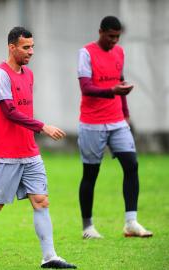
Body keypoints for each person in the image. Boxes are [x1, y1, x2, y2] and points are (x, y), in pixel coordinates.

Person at [0, 27, 76, 269]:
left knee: (41, 201)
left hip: (30, 152)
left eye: (32, 47)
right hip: (5, 154)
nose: (31, 52)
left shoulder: (29, 74)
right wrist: (42, 126)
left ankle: (49, 256)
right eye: (26, 47)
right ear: (12, 47)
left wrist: (34, 133)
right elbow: (9, 112)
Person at [77, 16, 153, 239]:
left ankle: (131, 222)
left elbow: (120, 82)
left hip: (117, 121)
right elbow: (86, 87)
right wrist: (112, 91)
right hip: (92, 122)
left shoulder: (119, 52)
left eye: (117, 37)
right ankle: (87, 227)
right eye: (111, 36)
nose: (114, 41)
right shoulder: (86, 53)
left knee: (131, 165)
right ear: (100, 32)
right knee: (91, 173)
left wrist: (126, 113)